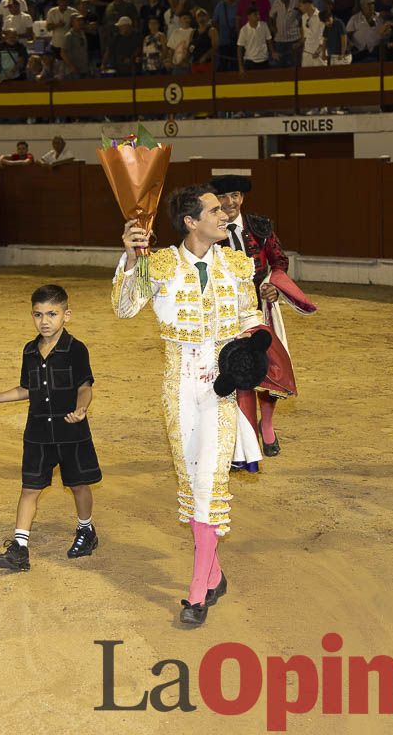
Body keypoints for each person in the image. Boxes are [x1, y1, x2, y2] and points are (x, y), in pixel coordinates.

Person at [114, 184, 264, 627]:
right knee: (192, 482)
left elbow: (249, 318)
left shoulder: (238, 264)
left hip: (220, 386)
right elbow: (124, 309)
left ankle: (198, 593)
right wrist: (129, 258)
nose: (226, 214)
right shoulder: (158, 265)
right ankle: (213, 574)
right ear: (191, 222)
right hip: (179, 386)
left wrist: (249, 355)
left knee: (207, 485)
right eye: (216, 210)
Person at [0, 284, 101, 572]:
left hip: (70, 432)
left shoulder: (76, 349)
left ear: (67, 315)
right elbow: (26, 389)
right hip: (38, 433)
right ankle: (20, 547)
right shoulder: (29, 350)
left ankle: (86, 530)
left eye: (52, 313)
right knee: (30, 488)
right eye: (38, 314)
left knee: (78, 485)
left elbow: (85, 386)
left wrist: (82, 408)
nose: (45, 321)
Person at [211, 173, 316, 461]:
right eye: (223, 196)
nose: (230, 202)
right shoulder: (209, 229)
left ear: (242, 198)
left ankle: (266, 425)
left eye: (235, 195)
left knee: (268, 368)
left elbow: (279, 261)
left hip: (261, 308)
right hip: (223, 313)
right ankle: (238, 434)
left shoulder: (260, 227)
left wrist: (273, 285)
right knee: (231, 368)